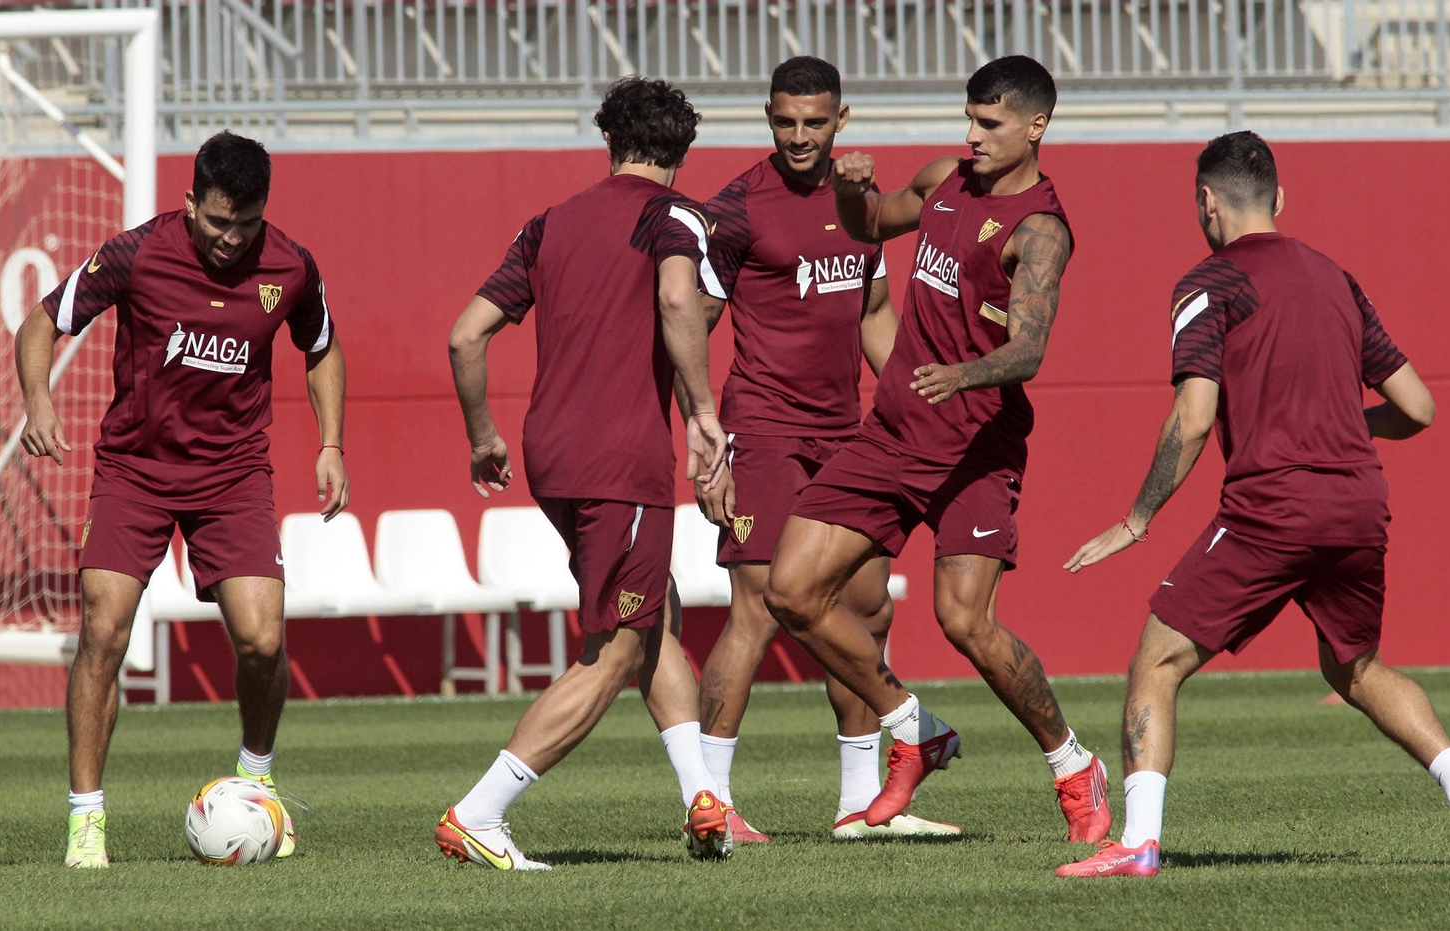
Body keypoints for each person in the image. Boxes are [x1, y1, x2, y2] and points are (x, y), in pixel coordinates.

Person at [1057, 131, 1450, 877]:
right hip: (1358, 502)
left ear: (1206, 203)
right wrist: (1339, 426)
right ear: (1279, 199)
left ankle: (1138, 840)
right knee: (1357, 667)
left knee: (1157, 660)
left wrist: (1136, 518)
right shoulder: (1335, 277)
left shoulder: (1209, 282)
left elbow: (1194, 415)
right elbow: (1419, 406)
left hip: (1274, 504)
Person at [761, 56, 1110, 840]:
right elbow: (868, 224)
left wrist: (967, 373)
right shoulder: (944, 180)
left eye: (990, 124)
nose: (973, 135)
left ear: (1035, 127)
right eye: (970, 118)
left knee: (966, 623)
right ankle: (915, 726)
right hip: (892, 431)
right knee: (790, 592)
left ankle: (1073, 765)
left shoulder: (1040, 231)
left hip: (974, 445)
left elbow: (1030, 349)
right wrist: (852, 187)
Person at [17, 130, 348, 868]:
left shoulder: (290, 265)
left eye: (246, 223)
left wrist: (331, 442)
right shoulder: (136, 253)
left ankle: (257, 785)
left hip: (232, 476)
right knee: (103, 630)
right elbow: (41, 320)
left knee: (262, 640)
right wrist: (39, 400)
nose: (231, 238)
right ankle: (86, 823)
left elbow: (321, 343)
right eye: (217, 220)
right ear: (190, 200)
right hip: (134, 469)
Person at [438, 76, 735, 871]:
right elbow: (679, 303)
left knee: (650, 614)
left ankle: (702, 795)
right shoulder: (677, 216)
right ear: (682, 150)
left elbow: (467, 336)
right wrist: (704, 413)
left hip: (552, 457)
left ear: (610, 142)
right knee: (614, 648)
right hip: (622, 462)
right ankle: (479, 811)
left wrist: (480, 436)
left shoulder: (551, 222)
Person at [691, 56, 958, 842]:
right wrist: (702, 437)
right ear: (767, 118)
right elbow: (690, 326)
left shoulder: (860, 202)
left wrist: (913, 402)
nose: (799, 136)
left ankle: (860, 805)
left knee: (867, 608)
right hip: (764, 428)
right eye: (785, 121)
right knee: (757, 610)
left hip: (848, 433)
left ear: (842, 118)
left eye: (815, 121)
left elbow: (874, 307)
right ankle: (710, 804)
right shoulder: (736, 209)